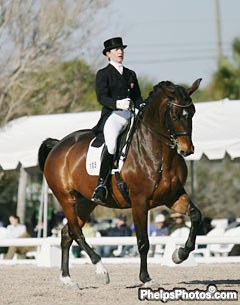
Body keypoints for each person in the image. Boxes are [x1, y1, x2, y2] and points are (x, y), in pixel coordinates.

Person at [91, 37, 143, 204]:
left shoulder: (130, 74)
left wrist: (141, 106)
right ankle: (101, 185)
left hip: (131, 114)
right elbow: (102, 97)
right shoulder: (103, 74)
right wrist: (117, 104)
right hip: (114, 116)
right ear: (108, 54)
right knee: (112, 144)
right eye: (116, 50)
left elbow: (138, 97)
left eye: (121, 49)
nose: (120, 52)